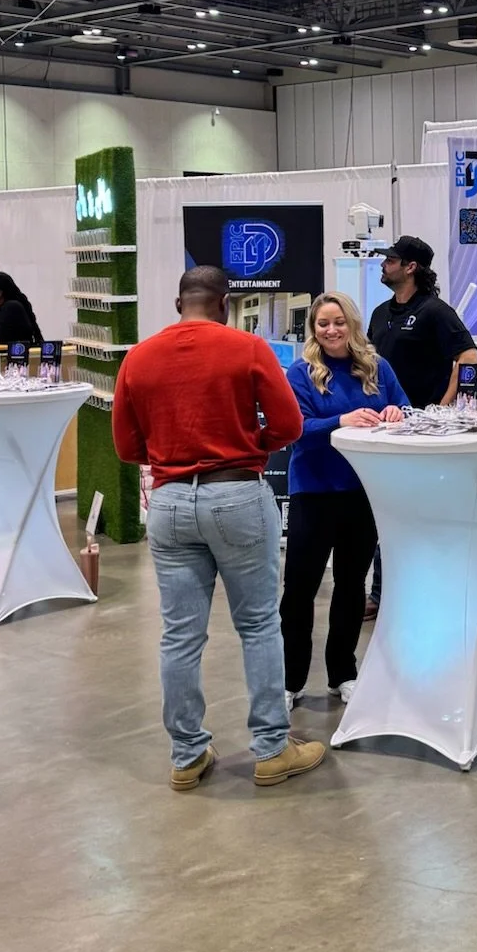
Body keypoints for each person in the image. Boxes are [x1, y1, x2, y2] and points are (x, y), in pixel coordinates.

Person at [112, 265, 325, 792]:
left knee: (180, 635)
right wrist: (247, 443)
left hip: (169, 503)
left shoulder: (138, 358)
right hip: (236, 495)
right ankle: (272, 749)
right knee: (257, 625)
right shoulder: (246, 349)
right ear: (225, 303)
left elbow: (126, 447)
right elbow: (289, 426)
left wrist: (170, 455)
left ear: (178, 301)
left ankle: (187, 755)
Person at [280, 292, 407, 706]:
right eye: (322, 324)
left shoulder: (377, 368)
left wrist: (395, 414)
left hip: (363, 492)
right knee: (300, 589)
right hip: (313, 491)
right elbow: (295, 427)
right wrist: (341, 421)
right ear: (313, 329)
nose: (331, 330)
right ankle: (290, 680)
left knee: (351, 585)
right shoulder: (301, 373)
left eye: (338, 322)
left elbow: (405, 407)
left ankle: (343, 673)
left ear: (352, 325)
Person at [367, 235, 475, 407]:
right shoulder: (379, 313)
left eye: (390, 260)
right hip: (384, 415)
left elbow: (469, 357)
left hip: (422, 420)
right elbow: (367, 359)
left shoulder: (436, 311)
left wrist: (443, 408)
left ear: (410, 267)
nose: (383, 265)